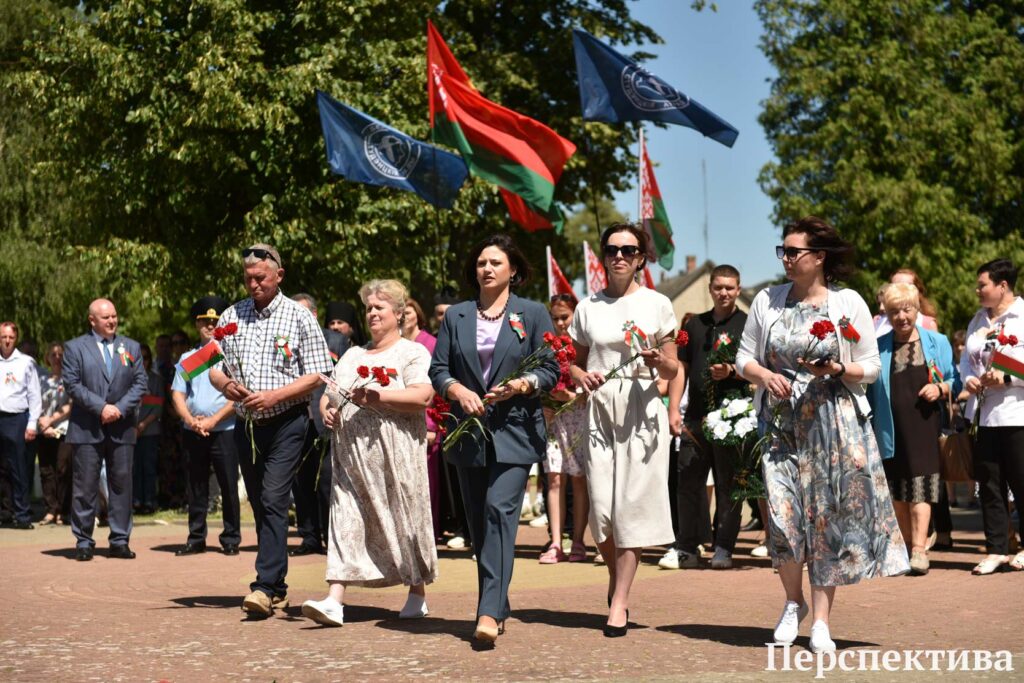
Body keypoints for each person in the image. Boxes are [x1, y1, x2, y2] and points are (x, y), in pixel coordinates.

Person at [735, 216, 908, 654]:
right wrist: (764, 375)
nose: (786, 259)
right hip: (779, 425)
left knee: (826, 523)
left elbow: (869, 366)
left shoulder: (846, 302)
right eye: (784, 251)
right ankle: (793, 603)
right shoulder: (767, 301)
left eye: (794, 252)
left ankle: (822, 621)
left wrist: (836, 368)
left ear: (819, 258)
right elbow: (742, 358)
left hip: (833, 424)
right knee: (781, 516)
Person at [429, 234, 559, 643]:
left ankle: (486, 612)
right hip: (468, 433)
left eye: (496, 262)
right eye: (482, 262)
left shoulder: (533, 313)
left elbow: (552, 369)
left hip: (516, 430)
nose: (486, 268)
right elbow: (438, 368)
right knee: (478, 528)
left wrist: (524, 383)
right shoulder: (458, 316)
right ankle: (498, 601)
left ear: (513, 271)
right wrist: (456, 390)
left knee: (499, 513)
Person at [302, 279, 438, 626]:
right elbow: (330, 392)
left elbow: (423, 396)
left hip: (396, 458)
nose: (372, 313)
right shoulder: (353, 354)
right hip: (350, 460)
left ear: (398, 312)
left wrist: (379, 396)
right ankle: (335, 599)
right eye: (368, 308)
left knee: (404, 519)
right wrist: (326, 409)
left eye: (380, 307)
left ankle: (416, 591)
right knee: (345, 518)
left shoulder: (411, 353)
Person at [209, 244, 333, 617]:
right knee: (262, 503)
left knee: (275, 497)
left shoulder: (299, 317)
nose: (253, 284)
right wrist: (224, 385)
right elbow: (211, 363)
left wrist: (274, 396)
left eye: (260, 278)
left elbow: (317, 373)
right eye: (248, 279)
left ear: (279, 276)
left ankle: (263, 586)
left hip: (289, 422)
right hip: (246, 425)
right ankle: (277, 586)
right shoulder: (232, 315)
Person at [567, 223, 679, 638]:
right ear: (603, 255)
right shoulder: (587, 307)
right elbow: (573, 363)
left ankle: (620, 602)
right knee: (601, 510)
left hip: (642, 408)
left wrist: (655, 361)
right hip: (599, 409)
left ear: (640, 258)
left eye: (628, 250)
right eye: (612, 249)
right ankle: (617, 580)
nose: (619, 256)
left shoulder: (657, 304)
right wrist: (581, 375)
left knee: (631, 506)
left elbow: (673, 367)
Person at [866, 283, 955, 575]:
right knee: (898, 492)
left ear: (917, 309)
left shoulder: (937, 342)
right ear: (887, 315)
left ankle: (918, 550)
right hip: (890, 429)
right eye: (894, 312)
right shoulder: (878, 347)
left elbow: (955, 380)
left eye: (907, 309)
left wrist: (940, 387)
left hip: (924, 426)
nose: (902, 316)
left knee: (921, 490)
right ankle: (903, 547)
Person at [666, 265, 750, 571]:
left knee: (729, 486)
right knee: (688, 482)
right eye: (718, 287)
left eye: (730, 287)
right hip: (696, 417)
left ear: (739, 289)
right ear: (710, 289)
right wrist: (674, 409)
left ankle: (724, 546)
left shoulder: (748, 324)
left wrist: (732, 371)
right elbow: (680, 369)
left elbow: (761, 366)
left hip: (732, 417)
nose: (724, 293)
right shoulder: (695, 326)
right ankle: (687, 546)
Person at [62, 299, 148, 560]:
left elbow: (140, 382)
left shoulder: (130, 346)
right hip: (87, 428)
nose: (112, 321)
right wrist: (102, 408)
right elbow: (72, 384)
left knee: (121, 485)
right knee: (85, 486)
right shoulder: (75, 347)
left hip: (121, 428)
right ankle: (84, 541)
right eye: (105, 317)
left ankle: (120, 540)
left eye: (114, 316)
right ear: (92, 320)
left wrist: (119, 408)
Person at [960, 259, 1024, 575]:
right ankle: (997, 549)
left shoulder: (1022, 317)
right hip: (984, 414)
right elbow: (966, 362)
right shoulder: (977, 320)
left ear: (1002, 285)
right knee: (989, 483)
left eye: (982, 284)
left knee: (1021, 480)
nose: (977, 290)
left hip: (1017, 413)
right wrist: (968, 380)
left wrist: (1009, 378)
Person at [171, 296, 241, 556]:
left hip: (225, 429)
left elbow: (240, 395)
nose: (210, 326)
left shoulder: (231, 353)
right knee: (195, 485)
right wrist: (190, 420)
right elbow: (177, 394)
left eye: (215, 321)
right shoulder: (189, 357)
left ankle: (231, 538)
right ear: (196, 324)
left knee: (228, 485)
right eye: (205, 321)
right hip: (194, 430)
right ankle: (196, 536)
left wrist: (213, 420)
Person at [290, 293, 348, 557]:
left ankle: (331, 537)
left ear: (313, 314)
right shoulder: (285, 340)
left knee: (327, 480)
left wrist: (335, 408)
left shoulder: (336, 341)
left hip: (326, 418)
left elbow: (346, 379)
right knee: (301, 481)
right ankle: (309, 536)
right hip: (295, 419)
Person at [0, 322, 42, 529]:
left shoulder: (26, 362)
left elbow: (35, 395)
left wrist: (32, 424)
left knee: (18, 469)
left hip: (17, 419)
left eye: (10, 337)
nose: (7, 341)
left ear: (15, 339)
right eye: (3, 337)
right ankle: (4, 512)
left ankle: (23, 515)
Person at [37, 342, 72, 525]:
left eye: (60, 354)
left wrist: (51, 421)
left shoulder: (70, 379)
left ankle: (63, 510)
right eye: (53, 354)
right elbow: (35, 405)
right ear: (47, 358)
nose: (57, 358)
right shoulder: (41, 380)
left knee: (63, 469)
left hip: (64, 429)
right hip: (43, 430)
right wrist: (44, 425)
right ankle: (50, 509)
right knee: (46, 471)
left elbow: (71, 405)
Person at [133, 343, 163, 515]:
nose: (143, 361)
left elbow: (158, 407)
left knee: (149, 468)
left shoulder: (156, 380)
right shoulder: (128, 380)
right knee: (134, 468)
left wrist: (143, 425)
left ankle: (150, 501)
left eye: (146, 357)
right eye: (139, 357)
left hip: (150, 431)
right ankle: (136, 501)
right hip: (132, 431)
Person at [874, 269, 939, 336]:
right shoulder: (877, 321)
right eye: (896, 287)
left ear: (918, 292)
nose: (901, 292)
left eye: (906, 287)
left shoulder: (928, 324)